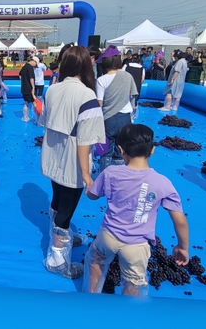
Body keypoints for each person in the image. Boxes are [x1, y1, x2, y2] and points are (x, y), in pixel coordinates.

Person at [82, 124, 189, 296]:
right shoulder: (162, 182)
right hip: (137, 246)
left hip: (108, 235)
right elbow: (180, 221)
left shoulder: (111, 173)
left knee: (96, 261)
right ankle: (129, 315)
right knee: (133, 282)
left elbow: (92, 196)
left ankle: (90, 297)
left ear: (120, 149)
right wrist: (182, 247)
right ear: (152, 150)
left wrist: (89, 184)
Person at [40, 46, 105, 279]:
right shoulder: (86, 94)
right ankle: (57, 258)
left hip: (53, 156)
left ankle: (58, 237)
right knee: (66, 211)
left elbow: (45, 121)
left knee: (57, 199)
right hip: (72, 162)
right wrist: (86, 174)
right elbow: (85, 139)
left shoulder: (52, 89)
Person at [96, 46, 137, 172]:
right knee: (122, 148)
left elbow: (99, 103)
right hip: (125, 117)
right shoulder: (127, 76)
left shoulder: (101, 80)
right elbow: (133, 96)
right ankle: (118, 175)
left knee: (106, 149)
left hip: (108, 118)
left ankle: (105, 175)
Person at [19, 57, 36, 122]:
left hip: (24, 87)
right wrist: (33, 87)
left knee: (26, 102)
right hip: (29, 88)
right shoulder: (30, 67)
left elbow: (19, 75)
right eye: (36, 64)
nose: (35, 66)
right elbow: (31, 78)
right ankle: (37, 118)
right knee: (34, 102)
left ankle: (25, 117)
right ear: (33, 61)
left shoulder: (24, 67)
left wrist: (23, 81)